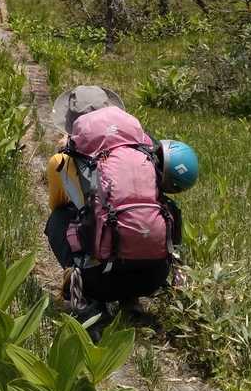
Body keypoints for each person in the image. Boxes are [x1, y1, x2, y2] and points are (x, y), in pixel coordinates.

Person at [43, 85, 200, 322]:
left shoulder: (63, 159)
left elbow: (57, 204)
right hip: (154, 277)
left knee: (58, 219)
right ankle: (131, 300)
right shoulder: (147, 149)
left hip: (101, 282)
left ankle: (90, 299)